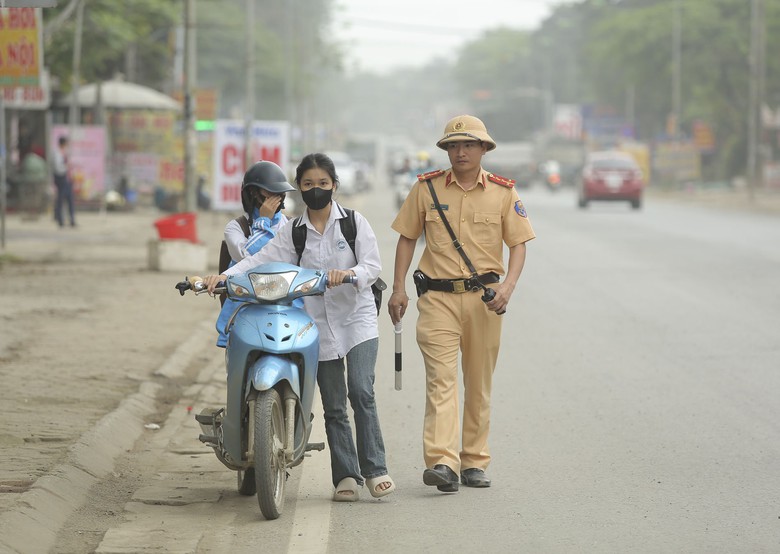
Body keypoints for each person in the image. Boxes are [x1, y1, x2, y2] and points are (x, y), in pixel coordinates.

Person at [203, 153, 395, 502]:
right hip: (316, 324)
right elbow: (257, 260)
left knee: (360, 392)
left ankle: (376, 468)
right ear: (299, 189)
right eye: (308, 184)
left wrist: (349, 274)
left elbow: (373, 265)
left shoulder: (354, 223)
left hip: (357, 319)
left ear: (334, 185)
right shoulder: (292, 231)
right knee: (334, 404)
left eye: (323, 183)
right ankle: (346, 476)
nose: (316, 189)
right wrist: (221, 277)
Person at [388, 114, 536, 493]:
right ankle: (442, 462)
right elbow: (407, 237)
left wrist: (509, 287)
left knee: (479, 383)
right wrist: (398, 288)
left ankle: (473, 460)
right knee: (442, 381)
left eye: (469, 144)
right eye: (454, 145)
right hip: (437, 299)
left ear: (484, 149)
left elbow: (518, 243)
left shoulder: (504, 193)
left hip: (485, 301)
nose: (461, 151)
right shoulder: (426, 189)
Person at [215, 161, 296, 348]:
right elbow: (249, 257)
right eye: (269, 193)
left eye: (280, 193)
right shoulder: (236, 227)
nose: (277, 198)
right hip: (245, 306)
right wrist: (263, 222)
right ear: (253, 193)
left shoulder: (291, 226)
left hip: (284, 305)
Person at [53, 135, 76, 228]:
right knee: (61, 199)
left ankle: (71, 219)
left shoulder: (64, 153)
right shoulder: (57, 153)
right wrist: (66, 166)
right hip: (61, 178)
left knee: (70, 199)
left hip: (67, 178)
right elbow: (58, 167)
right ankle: (60, 219)